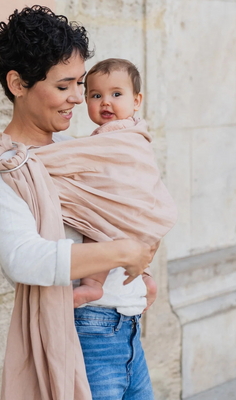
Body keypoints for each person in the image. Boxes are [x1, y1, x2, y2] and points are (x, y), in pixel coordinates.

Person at [0, 6, 166, 400]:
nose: (79, 98)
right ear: (17, 83)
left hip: (128, 332)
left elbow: (118, 209)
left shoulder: (72, 149)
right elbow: (23, 258)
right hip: (85, 338)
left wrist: (141, 262)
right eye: (64, 86)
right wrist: (124, 250)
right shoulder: (10, 169)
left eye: (80, 83)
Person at [73, 58, 171, 309]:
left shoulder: (114, 133)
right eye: (95, 95)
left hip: (121, 203)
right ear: (86, 102)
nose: (105, 101)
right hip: (140, 208)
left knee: (96, 231)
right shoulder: (137, 131)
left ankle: (93, 285)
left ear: (136, 101)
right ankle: (146, 277)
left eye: (116, 93)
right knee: (140, 247)